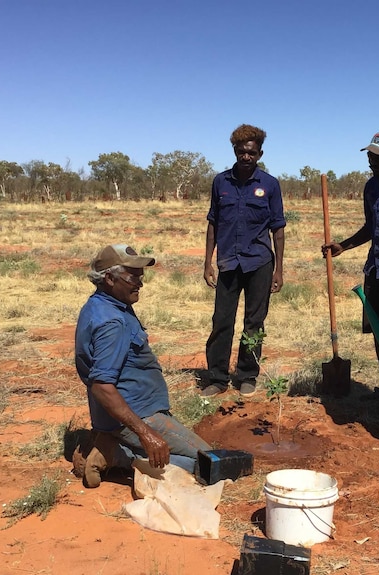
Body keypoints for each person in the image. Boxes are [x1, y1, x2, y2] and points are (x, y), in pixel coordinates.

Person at [74, 243, 212, 488]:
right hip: (139, 414)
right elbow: (102, 386)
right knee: (210, 462)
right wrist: (145, 433)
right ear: (109, 278)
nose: (140, 282)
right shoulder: (112, 322)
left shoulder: (102, 304)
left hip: (126, 411)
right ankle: (118, 456)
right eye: (133, 277)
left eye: (141, 276)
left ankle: (110, 442)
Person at [322, 131, 379, 413]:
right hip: (376, 267)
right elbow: (370, 228)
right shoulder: (370, 187)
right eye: (370, 156)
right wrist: (344, 246)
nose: (373, 162)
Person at [202, 124, 286, 398]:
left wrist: (279, 270)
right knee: (222, 321)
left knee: (254, 321)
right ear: (235, 151)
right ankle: (217, 378)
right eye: (241, 152)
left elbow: (278, 228)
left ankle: (247, 375)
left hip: (260, 263)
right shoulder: (221, 182)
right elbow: (213, 223)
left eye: (251, 152)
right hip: (228, 262)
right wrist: (207, 262)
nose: (246, 157)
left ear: (259, 154)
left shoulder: (270, 185)